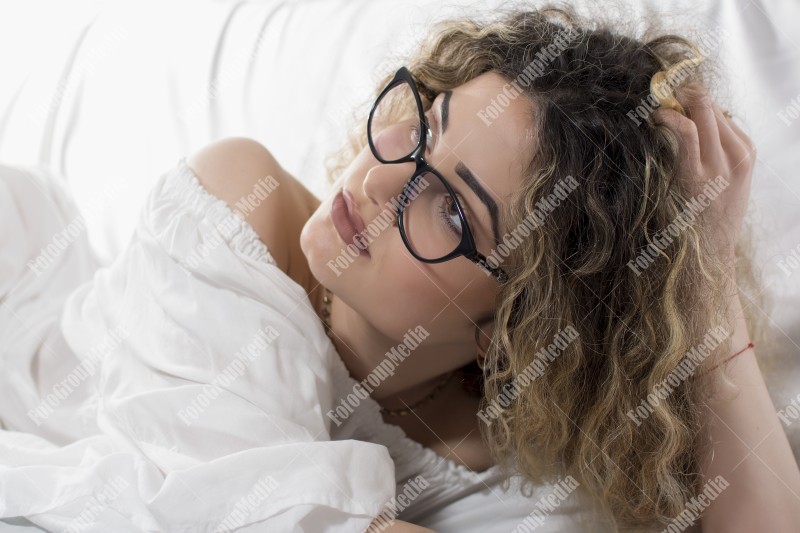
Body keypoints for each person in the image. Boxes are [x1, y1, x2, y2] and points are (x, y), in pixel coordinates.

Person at [190, 5, 800, 532]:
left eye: (453, 213)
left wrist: (707, 296)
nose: (377, 178)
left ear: (513, 325)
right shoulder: (242, 206)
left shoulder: (520, 491)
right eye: (426, 128)